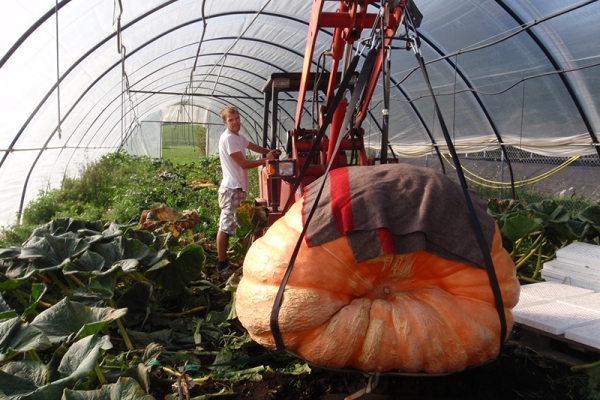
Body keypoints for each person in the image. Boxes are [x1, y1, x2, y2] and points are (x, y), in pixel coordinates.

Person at [216, 105, 279, 274]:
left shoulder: (238, 137)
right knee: (225, 227)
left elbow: (252, 146)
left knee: (233, 226)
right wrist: (267, 160)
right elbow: (243, 164)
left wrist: (270, 152)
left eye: (237, 118)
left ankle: (228, 262)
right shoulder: (228, 138)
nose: (235, 122)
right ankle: (221, 265)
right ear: (225, 122)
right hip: (231, 190)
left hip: (237, 189)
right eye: (231, 120)